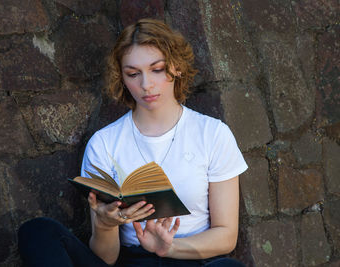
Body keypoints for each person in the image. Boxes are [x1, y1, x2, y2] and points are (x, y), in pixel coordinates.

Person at [18, 18, 248, 266]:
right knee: (38, 232)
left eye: (157, 69)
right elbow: (106, 258)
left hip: (188, 257)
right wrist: (106, 225)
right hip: (129, 261)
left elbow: (226, 236)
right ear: (122, 78)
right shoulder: (104, 143)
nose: (146, 85)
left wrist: (168, 248)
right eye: (133, 74)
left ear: (177, 68)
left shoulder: (212, 134)